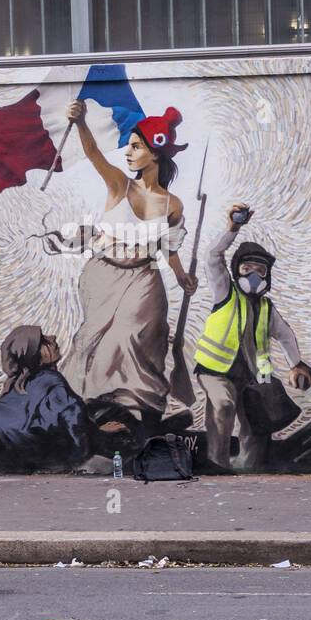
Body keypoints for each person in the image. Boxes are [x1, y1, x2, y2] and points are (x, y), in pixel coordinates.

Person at [57, 100, 198, 425]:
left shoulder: (172, 204)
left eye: (136, 146)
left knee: (135, 340)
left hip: (145, 280)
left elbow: (169, 247)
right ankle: (101, 414)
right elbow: (94, 153)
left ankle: (137, 414)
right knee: (97, 342)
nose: (129, 152)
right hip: (104, 276)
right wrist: (80, 123)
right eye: (129, 146)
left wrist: (181, 276)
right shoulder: (120, 184)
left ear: (156, 152)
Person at [194, 204, 311, 470]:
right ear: (237, 271)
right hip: (215, 370)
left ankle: (248, 467)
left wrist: (296, 363)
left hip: (252, 375)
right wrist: (233, 228)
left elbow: (284, 335)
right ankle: (218, 463)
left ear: (266, 277)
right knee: (223, 406)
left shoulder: (267, 308)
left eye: (260, 271)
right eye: (247, 268)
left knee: (257, 422)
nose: (253, 274)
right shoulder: (225, 293)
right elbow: (213, 256)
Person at [0, 325, 90, 472]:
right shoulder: (51, 380)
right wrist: (80, 456)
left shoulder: (16, 385)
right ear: (35, 356)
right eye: (43, 340)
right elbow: (74, 418)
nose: (53, 337)